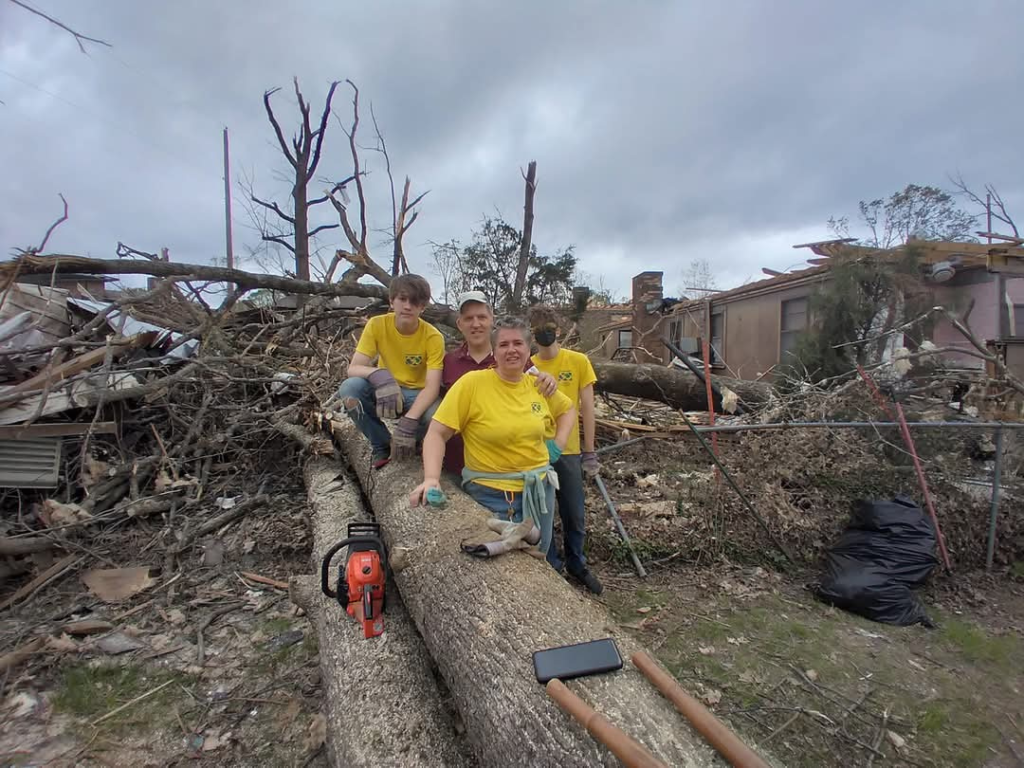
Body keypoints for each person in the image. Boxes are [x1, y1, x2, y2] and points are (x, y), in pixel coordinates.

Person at [410, 316, 575, 559]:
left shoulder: (538, 385)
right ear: (494, 351)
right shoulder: (472, 384)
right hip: (494, 495)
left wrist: (558, 444)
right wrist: (431, 479)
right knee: (504, 569)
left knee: (540, 563)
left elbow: (568, 409)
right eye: (504, 345)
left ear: (529, 350)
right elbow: (436, 433)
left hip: (540, 490)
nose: (511, 350)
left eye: (518, 344)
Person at [528, 305, 603, 594]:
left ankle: (577, 562)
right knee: (542, 512)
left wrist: (589, 451)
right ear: (533, 334)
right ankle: (551, 564)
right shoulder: (528, 366)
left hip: (569, 450)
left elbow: (587, 408)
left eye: (549, 327)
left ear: (558, 330)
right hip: (537, 451)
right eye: (538, 329)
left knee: (574, 512)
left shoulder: (578, 361)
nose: (545, 333)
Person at [441, 291, 557, 475]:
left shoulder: (516, 360)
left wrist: (548, 379)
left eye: (481, 317)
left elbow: (546, 396)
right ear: (459, 324)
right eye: (469, 318)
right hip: (456, 466)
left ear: (491, 320)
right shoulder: (448, 362)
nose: (476, 324)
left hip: (508, 472)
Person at [335, 274, 444, 470]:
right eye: (402, 299)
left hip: (416, 395)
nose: (408, 306)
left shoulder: (433, 337)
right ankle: (381, 444)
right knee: (350, 389)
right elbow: (353, 368)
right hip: (385, 390)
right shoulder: (377, 325)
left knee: (436, 414)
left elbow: (433, 387)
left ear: (423, 307)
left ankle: (416, 442)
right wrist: (380, 376)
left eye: (415, 301)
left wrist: (409, 421)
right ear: (392, 301)